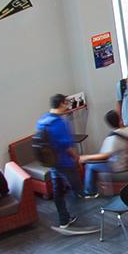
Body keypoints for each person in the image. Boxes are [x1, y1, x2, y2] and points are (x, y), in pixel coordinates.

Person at [35, 94, 96, 235]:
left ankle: (64, 219)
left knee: (58, 191)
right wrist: (77, 158)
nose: (68, 106)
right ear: (62, 104)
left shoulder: (42, 120)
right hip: (65, 162)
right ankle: (81, 221)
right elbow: (68, 146)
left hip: (52, 163)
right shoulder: (59, 124)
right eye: (66, 103)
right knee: (77, 190)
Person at [79, 109, 128, 196]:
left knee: (89, 165)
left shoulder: (113, 138)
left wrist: (86, 157)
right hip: (126, 159)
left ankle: (89, 192)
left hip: (117, 166)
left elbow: (104, 156)